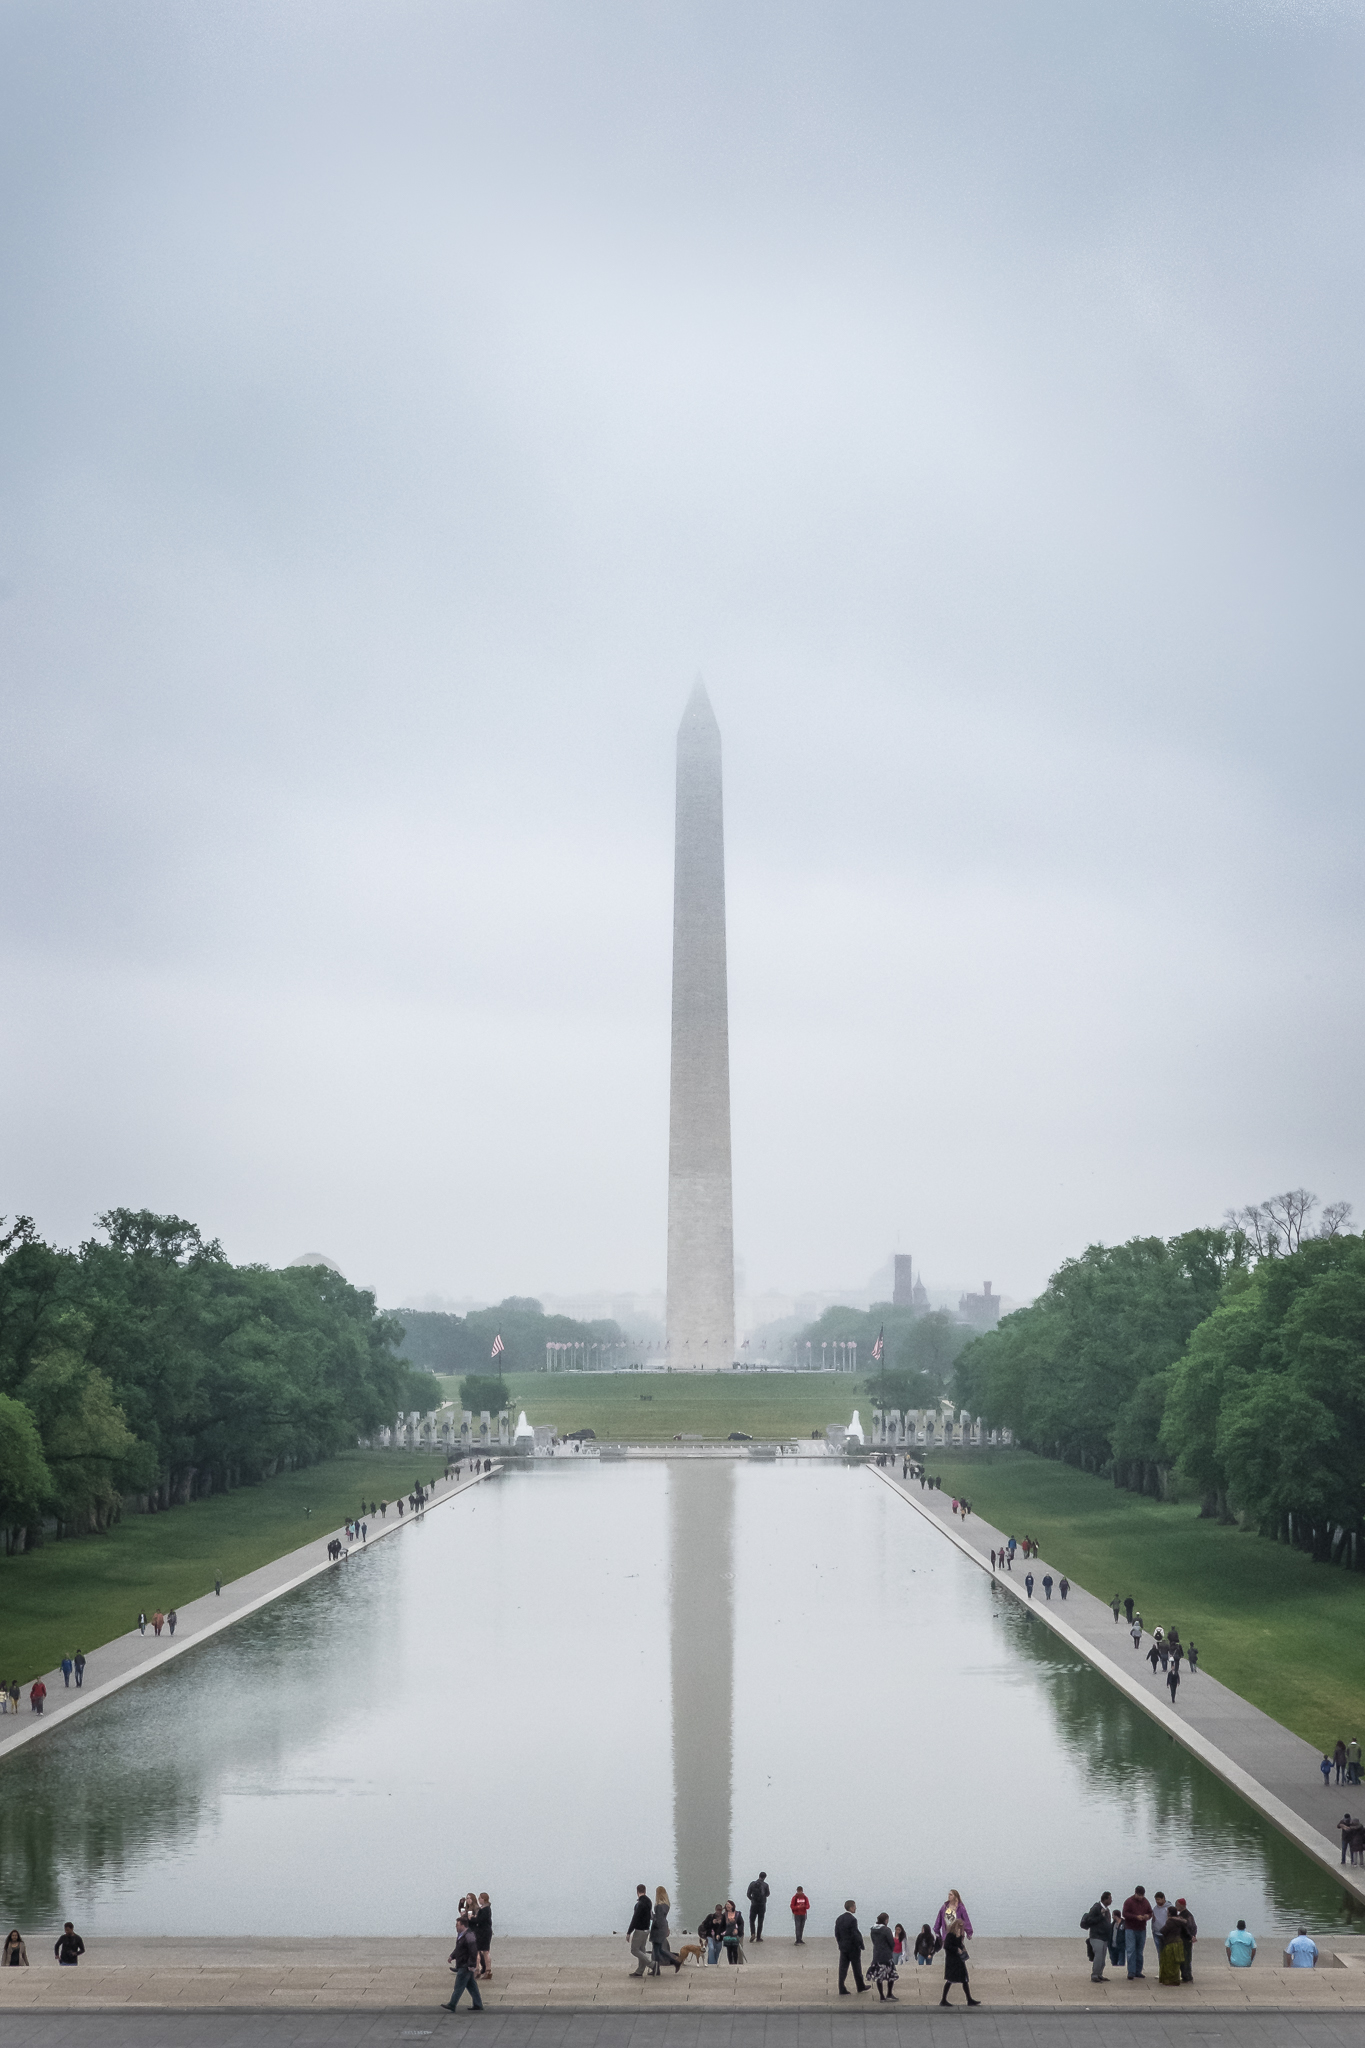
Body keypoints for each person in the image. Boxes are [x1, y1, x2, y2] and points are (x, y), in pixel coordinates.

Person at [938, 1917, 979, 2007]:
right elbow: (946, 1946)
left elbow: (958, 1944)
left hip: (959, 1960)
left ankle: (969, 1999)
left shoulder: (959, 1936)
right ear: (955, 1926)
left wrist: (962, 1948)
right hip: (952, 1961)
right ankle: (943, 2000)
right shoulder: (950, 1935)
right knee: (950, 1980)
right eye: (959, 1926)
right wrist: (956, 1949)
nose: (961, 1928)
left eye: (962, 1926)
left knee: (964, 1980)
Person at [443, 1915, 482, 2010]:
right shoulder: (461, 1935)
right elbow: (459, 1948)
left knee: (459, 1986)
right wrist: (452, 1956)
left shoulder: (469, 1935)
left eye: (457, 1925)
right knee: (472, 1986)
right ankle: (478, 2004)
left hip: (465, 1965)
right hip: (463, 1964)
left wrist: (471, 1964)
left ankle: (452, 2004)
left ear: (463, 1925)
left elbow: (473, 1951)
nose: (456, 1927)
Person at [834, 1900, 866, 1993]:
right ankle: (860, 1986)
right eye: (854, 1906)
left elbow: (837, 1933)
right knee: (857, 1968)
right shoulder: (853, 1920)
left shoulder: (839, 1918)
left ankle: (841, 1987)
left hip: (843, 1947)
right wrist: (860, 1944)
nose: (855, 1908)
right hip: (853, 1948)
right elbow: (854, 1934)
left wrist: (840, 1943)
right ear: (851, 1907)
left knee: (843, 1968)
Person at [1121, 1886, 1153, 1978]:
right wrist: (1136, 1917)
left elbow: (1150, 1912)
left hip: (1142, 1929)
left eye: (1142, 1895)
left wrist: (1147, 1916)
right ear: (1135, 1893)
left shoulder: (1145, 1902)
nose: (1140, 1897)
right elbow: (1125, 1913)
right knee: (1131, 1950)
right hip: (1130, 1928)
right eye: (1139, 1895)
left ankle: (1138, 1971)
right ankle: (1131, 1972)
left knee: (1139, 1951)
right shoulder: (1129, 1901)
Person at [1081, 1893, 1113, 1982]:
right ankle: (1094, 1975)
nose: (1111, 1900)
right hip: (1096, 1936)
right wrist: (1100, 1916)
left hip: (1104, 1937)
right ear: (1105, 1899)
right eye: (1110, 1899)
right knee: (1098, 1956)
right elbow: (1089, 1920)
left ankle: (1099, 1974)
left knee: (1102, 1958)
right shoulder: (1096, 1908)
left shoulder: (1106, 1910)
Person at [650, 1887, 681, 1973]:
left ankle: (675, 1960)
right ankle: (657, 1969)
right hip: (663, 1927)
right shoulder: (666, 1905)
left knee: (657, 1950)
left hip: (658, 1929)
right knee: (659, 1949)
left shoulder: (659, 1906)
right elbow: (662, 1918)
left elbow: (658, 1919)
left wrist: (651, 1915)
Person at [868, 1913, 898, 2001]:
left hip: (877, 1955)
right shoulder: (886, 1930)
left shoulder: (873, 1929)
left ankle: (881, 1996)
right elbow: (891, 1942)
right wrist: (890, 1950)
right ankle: (889, 1994)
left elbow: (874, 1941)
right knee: (891, 1975)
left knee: (879, 1976)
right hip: (886, 1956)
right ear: (885, 1920)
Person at [1168, 1898, 1197, 1982]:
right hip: (1183, 1939)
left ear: (1181, 1905)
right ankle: (1185, 1975)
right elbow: (1194, 1927)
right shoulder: (1184, 1915)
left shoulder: (1187, 1915)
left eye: (1177, 1905)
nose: (1176, 1907)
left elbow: (1189, 1927)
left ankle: (1187, 1976)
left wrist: (1191, 1936)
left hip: (1185, 1940)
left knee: (1185, 1958)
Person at [627, 1884, 651, 1976]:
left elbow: (635, 1919)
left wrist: (629, 1932)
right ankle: (640, 1971)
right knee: (642, 1949)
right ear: (645, 1891)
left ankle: (652, 1964)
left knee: (634, 1950)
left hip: (640, 1930)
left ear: (637, 1892)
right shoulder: (649, 1901)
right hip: (647, 1929)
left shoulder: (639, 1904)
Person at [747, 1871, 770, 1941]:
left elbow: (748, 1894)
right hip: (762, 1905)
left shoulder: (752, 1884)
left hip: (754, 1905)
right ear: (765, 1877)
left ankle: (752, 1933)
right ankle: (758, 1937)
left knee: (752, 1920)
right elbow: (767, 1894)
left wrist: (752, 1899)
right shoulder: (765, 1885)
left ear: (759, 1876)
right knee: (760, 1921)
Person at [474, 1892, 493, 1978]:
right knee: (485, 1951)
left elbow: (479, 1920)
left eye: (480, 1898)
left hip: (483, 1932)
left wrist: (472, 1918)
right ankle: (487, 1970)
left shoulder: (485, 1909)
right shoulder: (487, 1908)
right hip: (486, 1931)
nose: (479, 1900)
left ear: (484, 1899)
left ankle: (477, 1970)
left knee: (478, 1951)